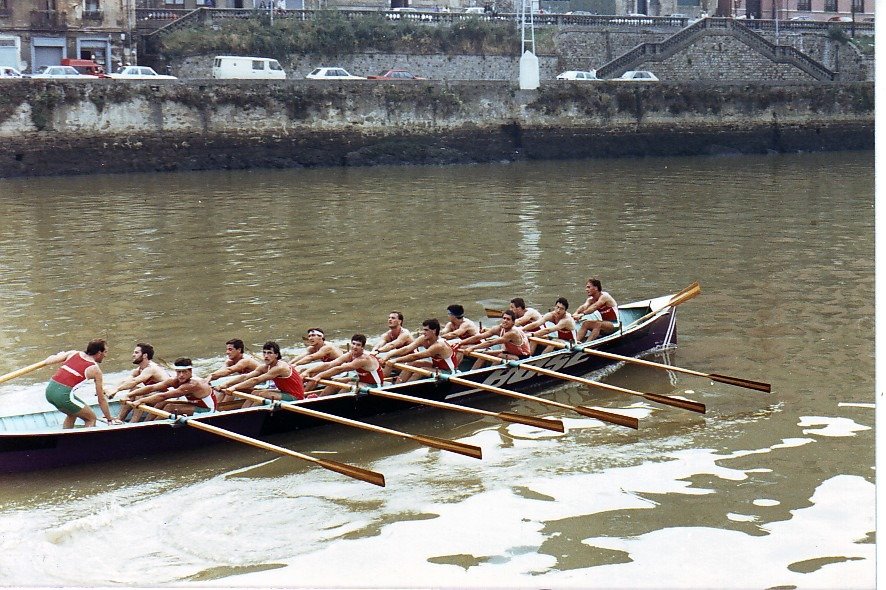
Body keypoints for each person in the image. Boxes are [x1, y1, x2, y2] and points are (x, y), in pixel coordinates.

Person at [42, 339, 118, 428]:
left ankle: (66, 438)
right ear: (99, 353)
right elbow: (101, 399)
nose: (106, 355)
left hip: (49, 391)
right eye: (105, 352)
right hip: (63, 396)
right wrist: (109, 419)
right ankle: (86, 441)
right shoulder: (95, 370)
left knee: (72, 413)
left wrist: (59, 356)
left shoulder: (73, 353)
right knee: (91, 418)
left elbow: (48, 361)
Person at [125, 358, 220, 422]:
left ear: (190, 371)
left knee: (170, 407)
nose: (181, 375)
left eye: (184, 372)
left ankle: (153, 428)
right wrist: (129, 395)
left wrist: (140, 400)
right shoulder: (175, 380)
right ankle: (147, 423)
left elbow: (163, 395)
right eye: (178, 372)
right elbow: (152, 388)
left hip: (207, 411)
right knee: (162, 403)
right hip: (194, 405)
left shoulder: (192, 384)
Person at [223, 341, 305, 407]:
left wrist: (234, 387)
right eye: (264, 353)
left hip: (295, 396)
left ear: (276, 355)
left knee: (262, 394)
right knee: (254, 393)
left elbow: (256, 380)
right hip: (283, 392)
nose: (266, 356)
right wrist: (226, 384)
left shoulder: (280, 368)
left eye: (269, 353)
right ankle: (242, 412)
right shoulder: (265, 367)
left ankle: (251, 414)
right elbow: (245, 376)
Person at [304, 334, 386, 396]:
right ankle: (320, 399)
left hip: (375, 385)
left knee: (349, 385)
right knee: (336, 381)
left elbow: (340, 369)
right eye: (353, 344)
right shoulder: (350, 354)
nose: (355, 347)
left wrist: (319, 375)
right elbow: (330, 364)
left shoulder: (363, 359)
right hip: (360, 380)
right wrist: (308, 371)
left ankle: (337, 400)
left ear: (362, 347)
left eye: (358, 345)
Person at [383, 318, 460, 383]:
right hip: (437, 366)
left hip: (449, 372)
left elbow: (416, 356)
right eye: (423, 330)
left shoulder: (439, 345)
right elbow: (407, 349)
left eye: (426, 330)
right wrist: (389, 355)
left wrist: (395, 360)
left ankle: (406, 387)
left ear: (434, 331)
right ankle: (398, 383)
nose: (423, 332)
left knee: (422, 370)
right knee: (413, 363)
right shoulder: (423, 338)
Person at [459, 310, 531, 369]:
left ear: (513, 323)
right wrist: (460, 343)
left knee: (500, 356)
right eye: (504, 318)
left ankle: (489, 373)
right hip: (509, 352)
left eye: (508, 319)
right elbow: (479, 337)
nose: (505, 321)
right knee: (485, 354)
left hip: (522, 357)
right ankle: (472, 372)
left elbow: (491, 342)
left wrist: (472, 348)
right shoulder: (499, 328)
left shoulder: (512, 333)